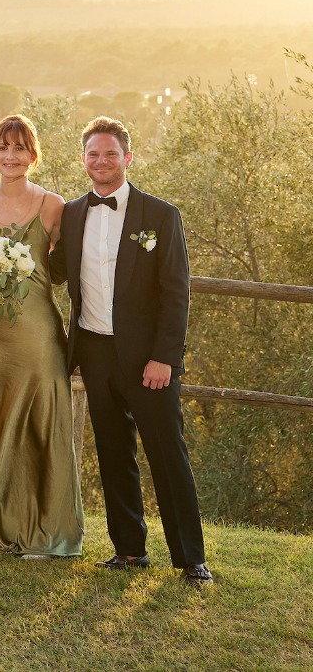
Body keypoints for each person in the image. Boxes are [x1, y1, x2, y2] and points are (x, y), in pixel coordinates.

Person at [51, 116, 210, 585]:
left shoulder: (161, 216)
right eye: (93, 154)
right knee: (113, 452)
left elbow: (176, 293)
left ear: (128, 158)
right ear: (83, 160)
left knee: (167, 454)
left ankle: (189, 558)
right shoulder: (73, 214)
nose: (101, 162)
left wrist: (165, 357)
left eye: (110, 154)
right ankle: (129, 549)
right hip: (95, 353)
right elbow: (55, 270)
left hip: (148, 360)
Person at [0, 114, 82, 558]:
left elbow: (67, 268)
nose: (10, 157)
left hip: (37, 329)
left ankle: (51, 531)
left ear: (34, 154)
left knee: (43, 421)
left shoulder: (53, 204)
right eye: (2, 147)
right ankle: (7, 527)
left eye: (19, 148)